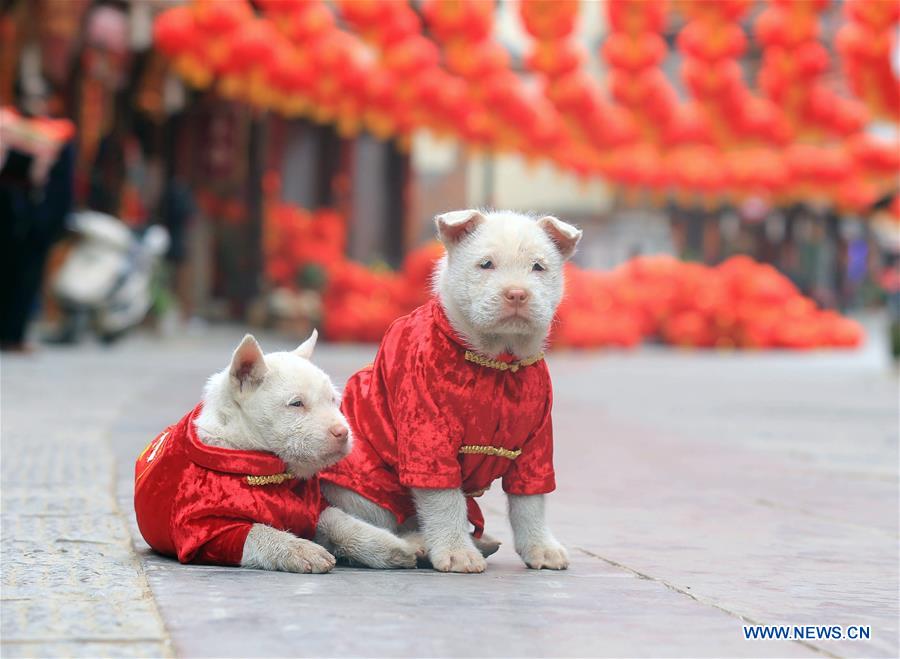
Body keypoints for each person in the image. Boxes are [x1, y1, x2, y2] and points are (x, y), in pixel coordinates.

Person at [0, 77, 75, 352]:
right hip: (8, 214)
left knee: (26, 279)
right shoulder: (7, 127)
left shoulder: (57, 134)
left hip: (36, 219)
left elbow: (62, 185)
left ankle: (14, 335)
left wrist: (53, 221)